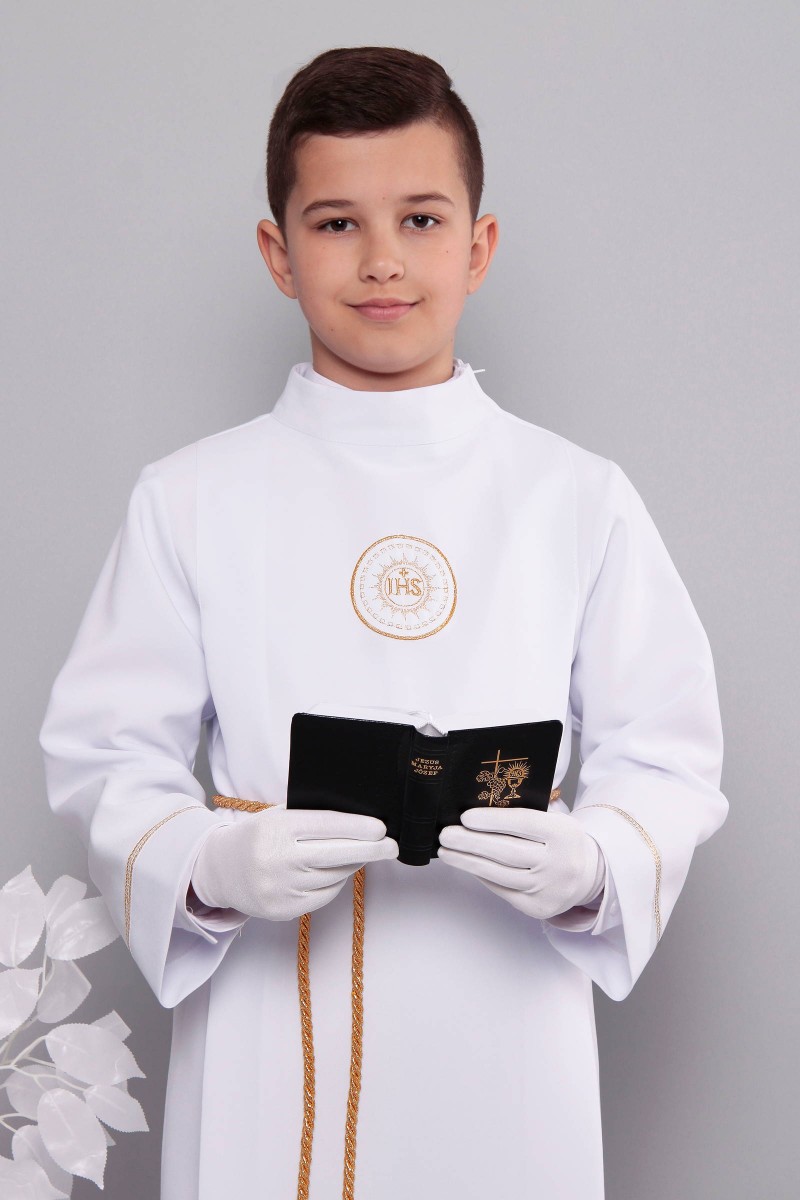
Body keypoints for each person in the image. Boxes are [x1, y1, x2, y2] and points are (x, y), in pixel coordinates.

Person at [38, 45, 728, 1200]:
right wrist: (210, 862)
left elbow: (668, 752)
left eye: (418, 218)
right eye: (335, 224)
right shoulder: (191, 499)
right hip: (272, 1004)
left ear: (478, 244)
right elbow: (104, 753)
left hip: (508, 1008)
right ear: (278, 253)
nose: (381, 261)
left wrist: (593, 860)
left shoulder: (574, 498)